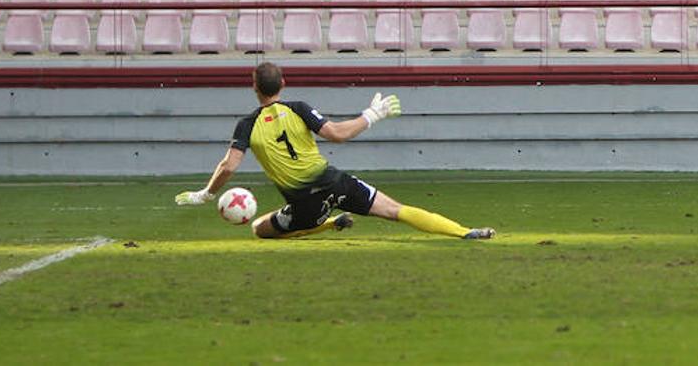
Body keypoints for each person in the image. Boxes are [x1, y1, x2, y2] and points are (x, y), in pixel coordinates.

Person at [175, 62, 494, 241]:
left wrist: (206, 193)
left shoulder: (248, 123)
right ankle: (465, 231)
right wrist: (372, 115)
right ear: (283, 83)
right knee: (396, 210)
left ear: (254, 88)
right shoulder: (298, 108)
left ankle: (326, 224)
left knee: (260, 228)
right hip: (335, 184)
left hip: (304, 205)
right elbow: (338, 135)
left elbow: (229, 165)